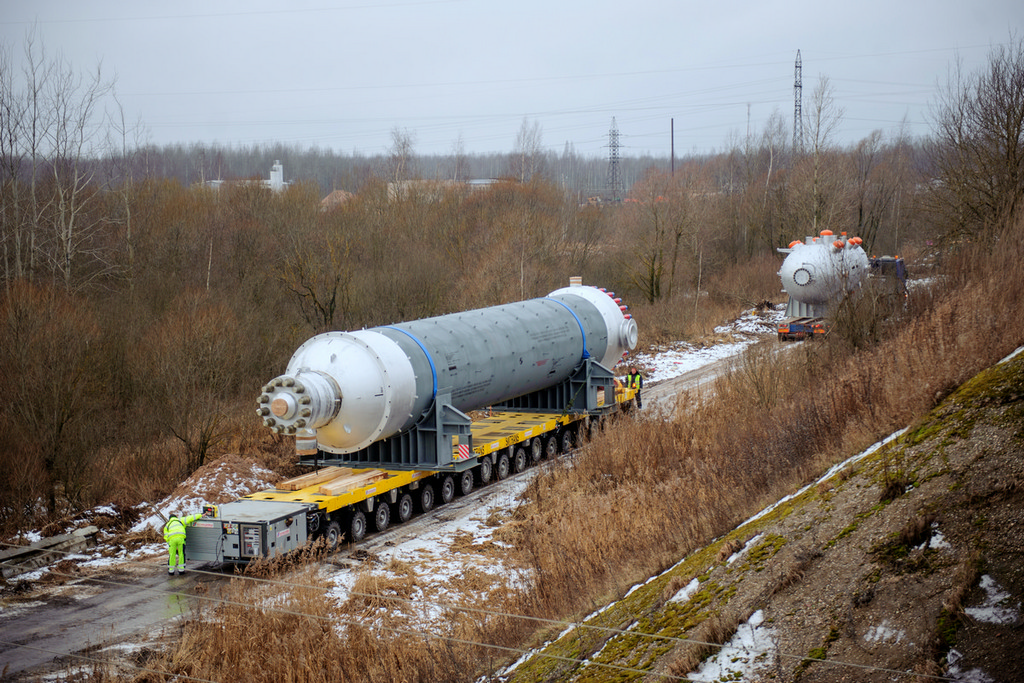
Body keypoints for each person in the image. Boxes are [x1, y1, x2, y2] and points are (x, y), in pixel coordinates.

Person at [163, 511, 201, 575]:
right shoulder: (180, 520)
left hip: (172, 540)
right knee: (181, 554)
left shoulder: (167, 525)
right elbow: (191, 517)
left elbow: (166, 536)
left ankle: (171, 571)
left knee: (172, 555)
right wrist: (201, 515)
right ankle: (181, 570)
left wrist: (169, 543)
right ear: (176, 517)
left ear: (170, 519)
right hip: (181, 539)